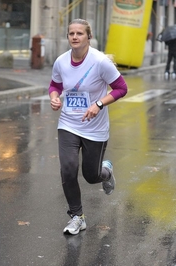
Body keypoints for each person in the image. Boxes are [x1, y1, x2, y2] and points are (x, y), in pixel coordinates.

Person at [48, 18, 128, 235]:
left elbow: (121, 88)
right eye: (71, 33)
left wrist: (99, 104)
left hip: (95, 128)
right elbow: (55, 84)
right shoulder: (61, 61)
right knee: (68, 169)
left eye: (79, 33)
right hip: (68, 123)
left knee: (91, 176)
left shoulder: (100, 62)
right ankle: (77, 216)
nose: (74, 37)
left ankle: (106, 172)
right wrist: (54, 97)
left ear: (88, 37)